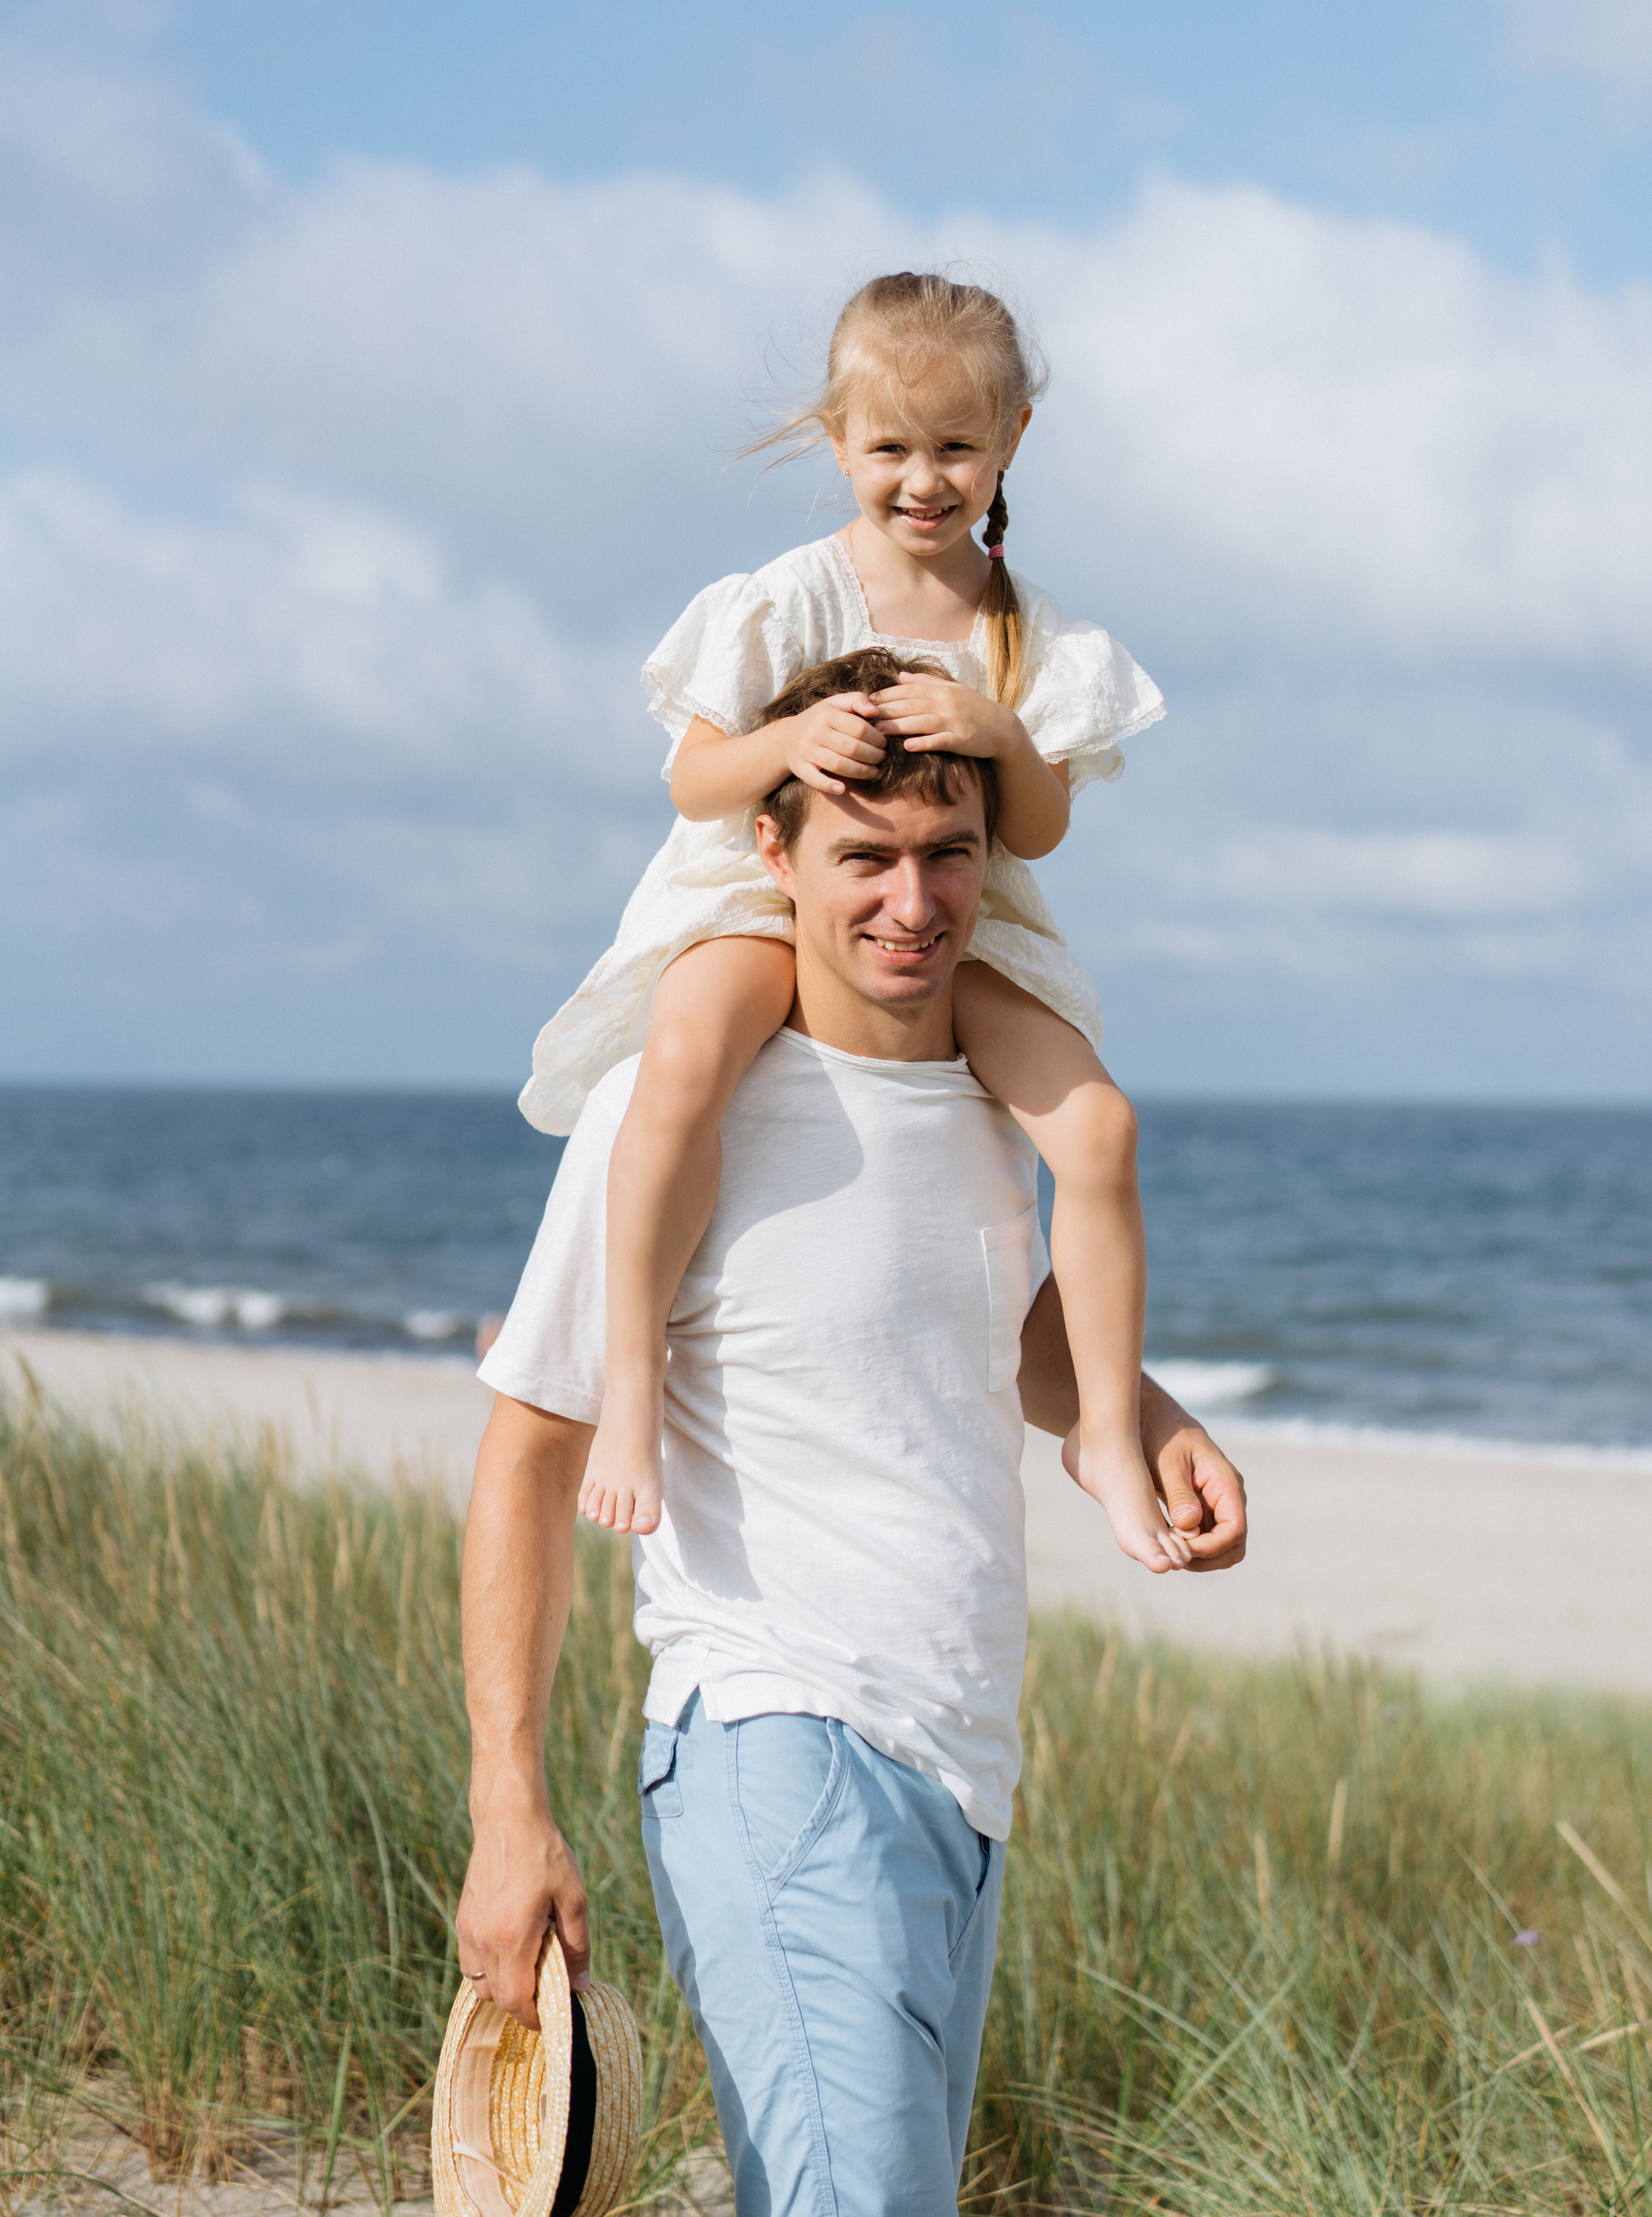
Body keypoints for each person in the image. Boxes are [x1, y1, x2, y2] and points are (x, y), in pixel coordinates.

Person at [460, 654, 1246, 2215]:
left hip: (962, 1769)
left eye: (947, 853)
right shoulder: (667, 1112)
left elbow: (975, 1332)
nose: (912, 900)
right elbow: (529, 1452)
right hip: (779, 1743)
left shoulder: (995, 1101)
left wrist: (1141, 1416)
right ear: (775, 851)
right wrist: (508, 1804)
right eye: (863, 856)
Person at [520, 271, 1182, 1572]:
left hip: (954, 922)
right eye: (890, 448)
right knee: (686, 1061)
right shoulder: (787, 599)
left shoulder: (1030, 634)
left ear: (1013, 439)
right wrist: (785, 740)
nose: (924, 481)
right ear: (837, 440)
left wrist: (999, 734)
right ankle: (632, 1386)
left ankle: (1107, 1430)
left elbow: (1035, 830)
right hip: (757, 901)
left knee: (1101, 1127)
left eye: (958, 448)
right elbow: (694, 782)